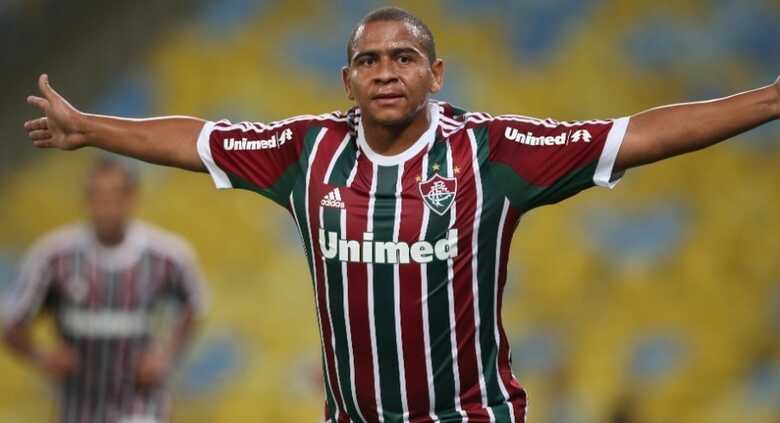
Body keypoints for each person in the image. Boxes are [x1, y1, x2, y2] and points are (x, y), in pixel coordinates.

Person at [19, 6, 778, 423]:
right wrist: (92, 128)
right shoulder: (306, 152)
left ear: (436, 73)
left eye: (404, 57)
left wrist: (770, 99)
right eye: (370, 60)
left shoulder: (491, 152)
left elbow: (635, 135)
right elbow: (197, 140)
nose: (386, 72)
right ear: (347, 79)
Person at [2, 156, 207, 423]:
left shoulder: (167, 256)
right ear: (86, 200)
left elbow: (196, 306)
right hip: (80, 407)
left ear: (131, 197)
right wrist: (42, 356)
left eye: (114, 195)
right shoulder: (54, 257)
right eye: (97, 196)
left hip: (141, 403)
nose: (105, 206)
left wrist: (165, 355)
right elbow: (13, 323)